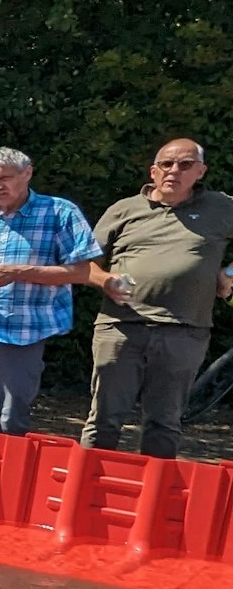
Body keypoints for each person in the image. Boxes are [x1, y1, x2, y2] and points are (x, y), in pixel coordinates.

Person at [80, 138, 233, 457]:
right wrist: (106, 280)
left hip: (184, 332)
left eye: (185, 164)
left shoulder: (221, 207)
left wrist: (229, 274)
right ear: (153, 170)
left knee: (164, 423)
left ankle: (152, 501)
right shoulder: (124, 209)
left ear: (201, 171)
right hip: (120, 328)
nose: (174, 170)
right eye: (166, 164)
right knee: (103, 421)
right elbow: (83, 263)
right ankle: (87, 498)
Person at [0, 147, 102, 435]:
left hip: (22, 332)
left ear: (27, 173)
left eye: (5, 178)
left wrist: (21, 273)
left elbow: (83, 272)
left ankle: (9, 478)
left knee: (12, 421)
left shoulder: (60, 212)